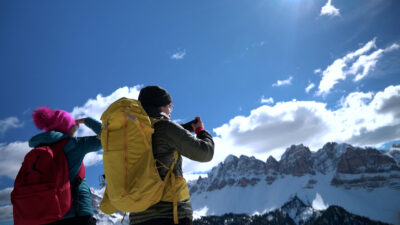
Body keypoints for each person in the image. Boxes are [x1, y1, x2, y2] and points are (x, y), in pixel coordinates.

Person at [129, 85, 215, 225]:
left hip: (137, 216)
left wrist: (180, 131)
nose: (170, 111)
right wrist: (201, 131)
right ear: (159, 106)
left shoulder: (131, 133)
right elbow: (206, 153)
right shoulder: (165, 127)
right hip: (169, 214)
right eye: (169, 106)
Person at [29, 107, 102, 225]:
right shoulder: (75, 145)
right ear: (68, 127)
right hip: (78, 213)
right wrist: (86, 120)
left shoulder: (37, 150)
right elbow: (107, 135)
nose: (76, 127)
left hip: (49, 216)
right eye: (74, 124)